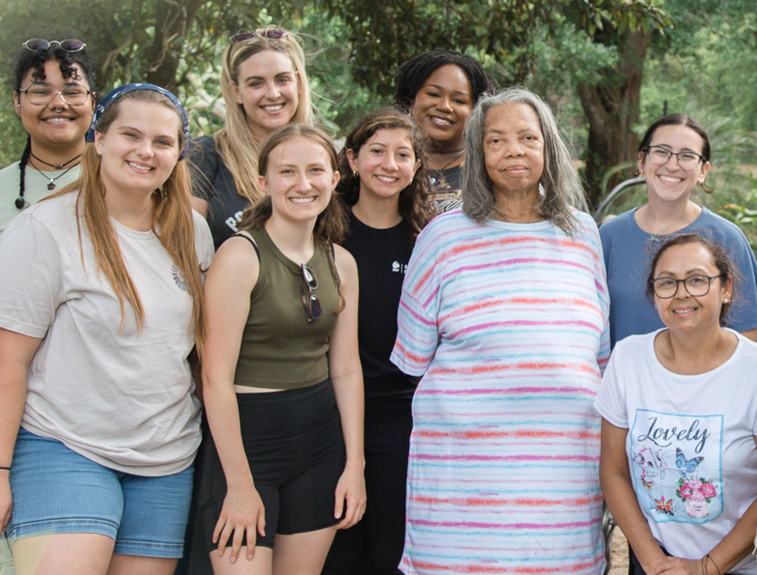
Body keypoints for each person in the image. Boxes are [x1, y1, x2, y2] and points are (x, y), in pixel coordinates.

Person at [0, 83, 213, 574]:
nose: (145, 151)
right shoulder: (45, 229)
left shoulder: (191, 232)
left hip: (165, 460)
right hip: (65, 446)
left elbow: (197, 353)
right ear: (98, 138)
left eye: (163, 142)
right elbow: (5, 359)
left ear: (179, 153)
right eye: (130, 135)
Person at [391, 88, 610, 575]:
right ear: (478, 154)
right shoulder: (443, 236)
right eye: (497, 140)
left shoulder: (582, 232)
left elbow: (598, 352)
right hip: (462, 485)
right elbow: (413, 357)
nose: (514, 150)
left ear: (548, 148)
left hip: (565, 481)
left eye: (527, 137)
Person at [196, 124, 365, 574]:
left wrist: (355, 465)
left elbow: (346, 370)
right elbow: (215, 379)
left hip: (320, 446)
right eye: (287, 171)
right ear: (263, 183)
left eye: (314, 170)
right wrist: (239, 484)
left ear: (334, 179)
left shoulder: (341, 263)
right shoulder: (239, 256)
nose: (302, 184)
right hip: (249, 445)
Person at [596, 234, 757, 575]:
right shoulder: (628, 359)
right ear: (654, 296)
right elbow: (613, 470)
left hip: (739, 565)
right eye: (667, 283)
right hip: (654, 563)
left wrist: (706, 567)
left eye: (697, 280)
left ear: (726, 288)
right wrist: (653, 561)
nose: (681, 293)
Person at [322, 109, 434, 575]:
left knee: (391, 549)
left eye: (402, 155)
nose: (389, 164)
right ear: (351, 159)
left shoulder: (427, 241)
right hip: (329, 409)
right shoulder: (324, 231)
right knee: (337, 547)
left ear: (415, 168)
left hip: (402, 415)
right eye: (376, 151)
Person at [0, 37, 96, 346]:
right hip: (20, 385)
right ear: (17, 102)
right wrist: (41, 360)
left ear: (93, 102)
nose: (58, 103)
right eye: (40, 92)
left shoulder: (127, 183)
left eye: (72, 91)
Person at [601, 113, 757, 343]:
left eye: (687, 156)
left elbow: (746, 339)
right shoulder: (608, 238)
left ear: (703, 171)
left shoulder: (727, 238)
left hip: (705, 379)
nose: (672, 164)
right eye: (661, 151)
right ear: (641, 161)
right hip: (623, 378)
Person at [189, 26, 316, 247]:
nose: (273, 94)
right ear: (236, 91)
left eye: (282, 80)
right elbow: (185, 249)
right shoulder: (204, 155)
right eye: (256, 83)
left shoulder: (322, 156)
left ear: (297, 83)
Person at [393, 49, 497, 213]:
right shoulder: (383, 163)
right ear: (410, 100)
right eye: (434, 94)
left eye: (458, 100)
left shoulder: (493, 171)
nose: (444, 106)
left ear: (476, 111)